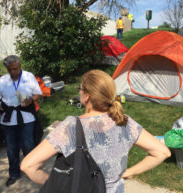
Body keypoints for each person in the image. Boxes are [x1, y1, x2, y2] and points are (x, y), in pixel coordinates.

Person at [21, 70, 171, 192]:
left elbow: (28, 166)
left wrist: (59, 186)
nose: (78, 91)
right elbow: (163, 152)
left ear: (86, 96)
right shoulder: (125, 122)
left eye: (79, 88)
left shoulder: (70, 127)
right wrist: (129, 173)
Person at [0, 55, 42, 187]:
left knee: (28, 145)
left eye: (15, 69)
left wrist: (31, 100)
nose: (12, 72)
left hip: (26, 117)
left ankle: (32, 170)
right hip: (8, 119)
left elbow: (38, 94)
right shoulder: (2, 81)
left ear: (19, 65)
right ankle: (14, 174)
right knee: (11, 148)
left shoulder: (29, 76)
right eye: (9, 70)